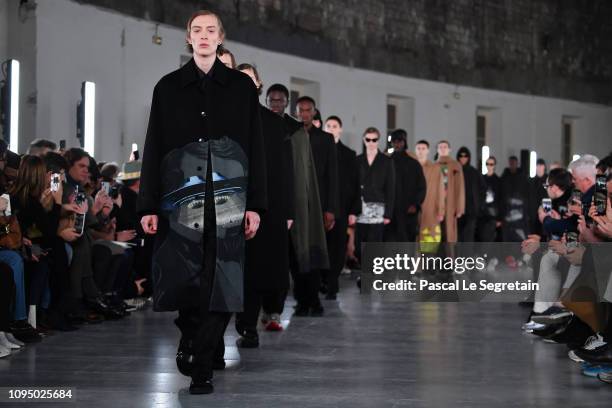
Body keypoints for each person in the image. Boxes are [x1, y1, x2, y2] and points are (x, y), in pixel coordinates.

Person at [137, 10, 266, 395]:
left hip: (230, 197)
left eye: (212, 30)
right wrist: (146, 206)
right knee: (186, 276)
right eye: (197, 30)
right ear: (188, 38)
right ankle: (191, 338)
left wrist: (257, 204)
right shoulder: (168, 88)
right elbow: (154, 146)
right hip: (182, 198)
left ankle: (202, 363)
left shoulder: (241, 89)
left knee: (223, 277)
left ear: (221, 37)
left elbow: (255, 147)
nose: (205, 36)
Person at [234, 63, 294, 345]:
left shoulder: (273, 123)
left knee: (256, 268)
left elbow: (283, 171)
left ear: (258, 85)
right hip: (225, 203)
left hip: (263, 205)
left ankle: (248, 326)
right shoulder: (221, 118)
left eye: (250, 80)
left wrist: (287, 211)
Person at [291, 96, 338, 316]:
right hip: (297, 203)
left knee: (317, 252)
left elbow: (332, 176)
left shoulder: (326, 139)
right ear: (297, 112)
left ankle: (314, 301)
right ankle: (302, 301)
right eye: (301, 110)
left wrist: (330, 209)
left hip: (319, 205)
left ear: (314, 112)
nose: (304, 114)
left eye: (308, 110)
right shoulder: (291, 135)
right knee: (298, 253)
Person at [323, 115, 360, 299]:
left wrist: (354, 210)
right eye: (328, 125)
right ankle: (323, 280)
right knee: (322, 246)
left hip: (342, 208)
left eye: (334, 126)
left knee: (338, 247)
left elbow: (355, 183)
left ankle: (332, 283)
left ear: (340, 129)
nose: (331, 128)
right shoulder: (317, 149)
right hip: (321, 208)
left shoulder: (349, 154)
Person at [354, 127, 395, 260]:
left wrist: (388, 213)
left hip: (379, 209)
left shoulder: (386, 161)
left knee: (375, 244)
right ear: (364, 140)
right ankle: (365, 272)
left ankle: (371, 276)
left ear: (378, 141)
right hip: (360, 208)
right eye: (368, 139)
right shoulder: (357, 160)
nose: (371, 142)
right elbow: (352, 187)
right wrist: (351, 211)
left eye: (374, 139)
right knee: (359, 245)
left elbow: (391, 188)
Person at [385, 129, 426, 242]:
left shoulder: (413, 164)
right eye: (394, 141)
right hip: (390, 213)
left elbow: (421, 186)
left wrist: (415, 204)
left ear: (404, 142)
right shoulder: (386, 162)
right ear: (391, 143)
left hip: (408, 212)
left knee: (407, 244)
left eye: (400, 141)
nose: (397, 144)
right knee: (390, 246)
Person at [415, 140, 445, 254]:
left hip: (430, 208)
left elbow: (440, 190)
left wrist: (441, 210)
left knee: (429, 237)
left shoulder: (435, 168)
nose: (421, 151)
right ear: (415, 150)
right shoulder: (411, 166)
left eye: (423, 149)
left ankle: (429, 266)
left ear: (428, 150)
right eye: (418, 148)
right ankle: (416, 267)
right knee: (414, 237)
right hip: (414, 206)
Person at [436, 140, 465, 244]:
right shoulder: (434, 165)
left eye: (445, 147)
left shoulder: (456, 165)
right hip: (437, 203)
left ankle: (450, 258)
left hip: (451, 202)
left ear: (449, 149)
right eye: (440, 147)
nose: (443, 149)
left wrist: (460, 208)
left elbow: (460, 187)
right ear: (437, 149)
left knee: (450, 234)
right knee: (436, 232)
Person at [456, 146, 485, 243]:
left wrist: (480, 206)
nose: (463, 158)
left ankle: (467, 258)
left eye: (465, 156)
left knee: (468, 237)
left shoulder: (474, 173)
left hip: (471, 211)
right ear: (458, 157)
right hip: (457, 211)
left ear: (469, 157)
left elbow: (482, 190)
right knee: (458, 238)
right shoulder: (454, 172)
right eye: (461, 156)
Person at [478, 156, 502, 242]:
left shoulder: (498, 181)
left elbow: (500, 200)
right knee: (481, 237)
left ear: (494, 165)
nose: (489, 166)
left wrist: (499, 218)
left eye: (491, 164)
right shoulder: (481, 179)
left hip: (493, 214)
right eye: (487, 164)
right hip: (482, 213)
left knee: (490, 238)